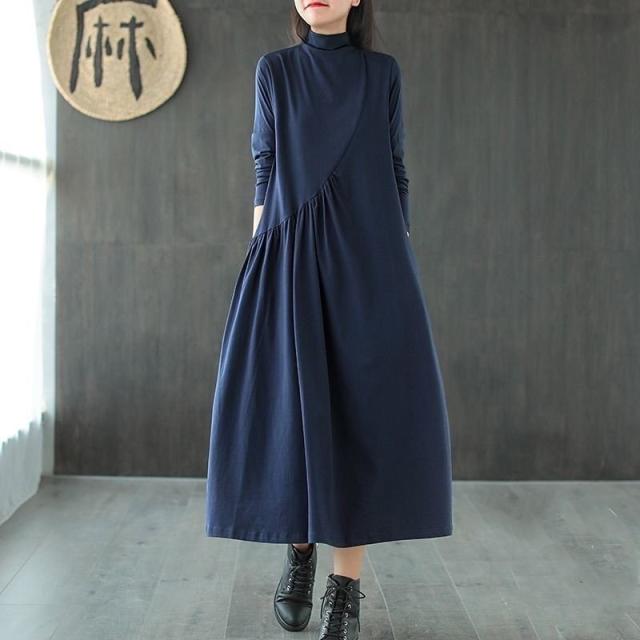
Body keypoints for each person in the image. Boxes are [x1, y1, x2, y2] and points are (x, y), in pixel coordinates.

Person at [204, 1, 453, 638]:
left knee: (359, 420)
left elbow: (396, 168)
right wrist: (263, 260)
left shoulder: (382, 73)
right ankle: (300, 551)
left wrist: (394, 265)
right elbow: (265, 167)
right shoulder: (275, 70)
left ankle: (345, 591)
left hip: (370, 263)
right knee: (292, 410)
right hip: (288, 258)